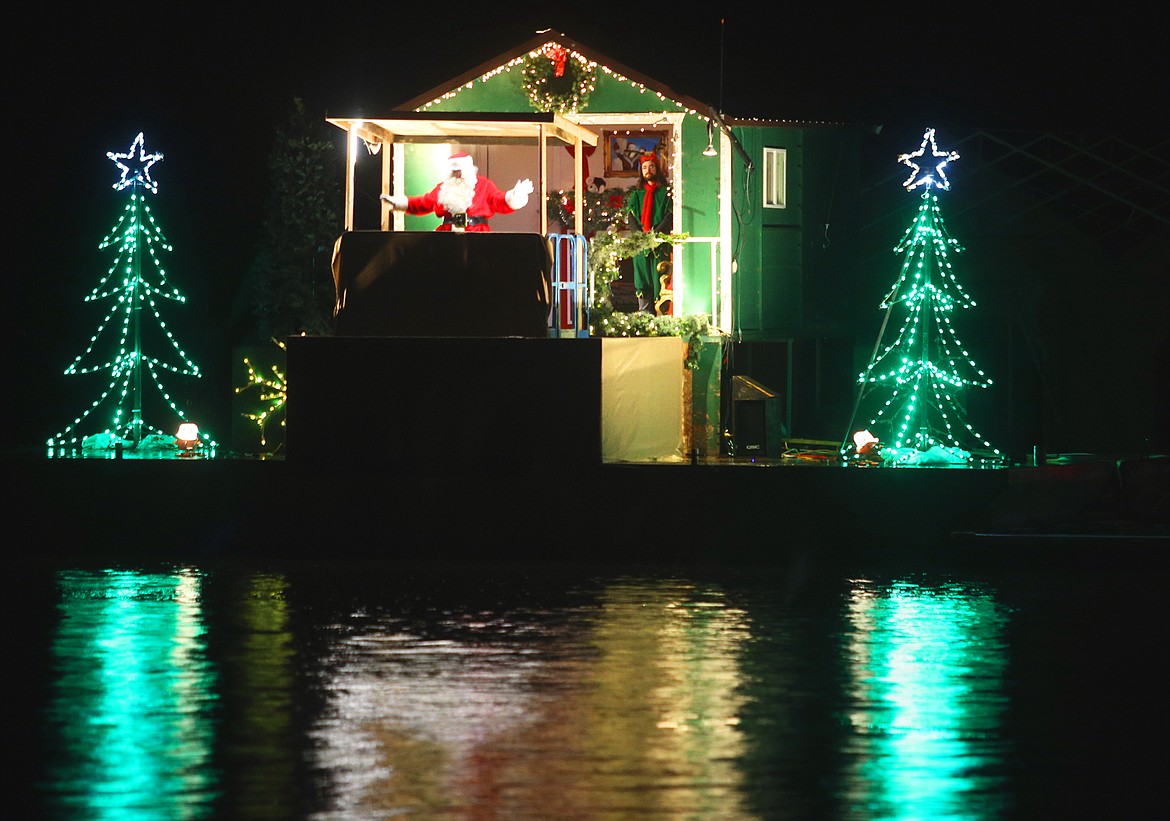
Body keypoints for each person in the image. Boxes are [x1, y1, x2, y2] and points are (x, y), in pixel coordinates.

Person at [380, 151, 534, 232]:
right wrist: (399, 202)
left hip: (477, 236)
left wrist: (514, 196)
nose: (457, 174)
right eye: (453, 171)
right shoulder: (443, 187)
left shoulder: (483, 185)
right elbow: (424, 203)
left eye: (459, 170)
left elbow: (499, 201)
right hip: (446, 236)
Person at [624, 152, 673, 313]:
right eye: (644, 167)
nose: (647, 170)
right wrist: (640, 236)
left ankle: (663, 319)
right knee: (642, 280)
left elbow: (669, 216)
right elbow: (631, 217)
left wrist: (655, 234)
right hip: (641, 245)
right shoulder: (637, 195)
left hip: (659, 244)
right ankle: (645, 318)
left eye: (651, 166)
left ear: (657, 168)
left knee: (661, 280)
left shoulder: (666, 193)